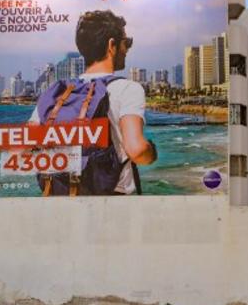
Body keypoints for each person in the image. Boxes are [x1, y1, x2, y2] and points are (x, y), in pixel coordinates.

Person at [29, 10, 157, 194]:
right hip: (111, 202)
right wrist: (151, 152)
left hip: (59, 200)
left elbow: (20, 148)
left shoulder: (56, 92)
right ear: (111, 45)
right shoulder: (127, 89)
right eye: (126, 43)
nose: (127, 49)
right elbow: (136, 151)